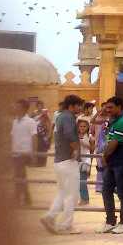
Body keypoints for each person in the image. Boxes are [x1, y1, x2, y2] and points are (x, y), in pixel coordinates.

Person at [41, 94, 84, 235]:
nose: (80, 107)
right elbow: (70, 135)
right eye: (78, 105)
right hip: (68, 161)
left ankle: (50, 217)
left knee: (62, 192)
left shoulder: (60, 116)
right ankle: (66, 225)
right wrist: (76, 149)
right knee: (72, 195)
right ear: (71, 106)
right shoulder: (68, 118)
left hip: (60, 161)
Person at [99, 96, 123, 234]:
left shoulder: (122, 123)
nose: (107, 110)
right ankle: (110, 221)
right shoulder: (112, 121)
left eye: (110, 107)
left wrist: (104, 156)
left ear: (120, 108)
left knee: (122, 193)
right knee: (106, 190)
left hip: (122, 162)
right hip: (113, 162)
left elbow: (113, 144)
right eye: (106, 107)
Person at [10, 99, 37, 206]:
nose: (15, 108)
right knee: (21, 175)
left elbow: (34, 137)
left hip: (25, 152)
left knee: (19, 174)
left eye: (18, 106)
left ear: (23, 108)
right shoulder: (15, 121)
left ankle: (17, 197)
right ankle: (27, 197)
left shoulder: (30, 121)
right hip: (15, 152)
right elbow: (12, 136)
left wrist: (34, 153)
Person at [77, 118, 93, 205]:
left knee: (82, 180)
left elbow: (92, 149)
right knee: (78, 180)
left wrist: (83, 143)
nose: (82, 128)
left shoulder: (89, 137)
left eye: (84, 126)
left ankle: (85, 199)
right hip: (77, 160)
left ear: (87, 127)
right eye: (80, 126)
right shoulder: (75, 136)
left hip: (86, 161)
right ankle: (82, 197)